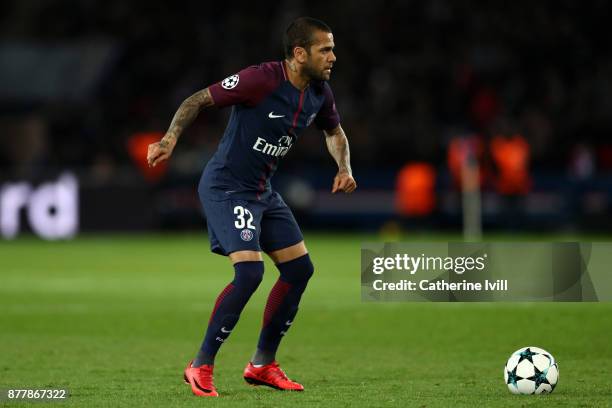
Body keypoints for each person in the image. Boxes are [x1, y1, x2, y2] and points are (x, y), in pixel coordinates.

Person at [147, 16, 356, 397]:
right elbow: (198, 99)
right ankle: (200, 365)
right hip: (226, 188)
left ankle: (262, 364)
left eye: (332, 48)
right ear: (299, 53)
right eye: (325, 49)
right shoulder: (260, 79)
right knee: (249, 274)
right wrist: (169, 138)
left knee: (299, 270)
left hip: (262, 192)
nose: (333, 57)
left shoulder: (319, 93)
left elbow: (333, 131)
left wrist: (343, 167)